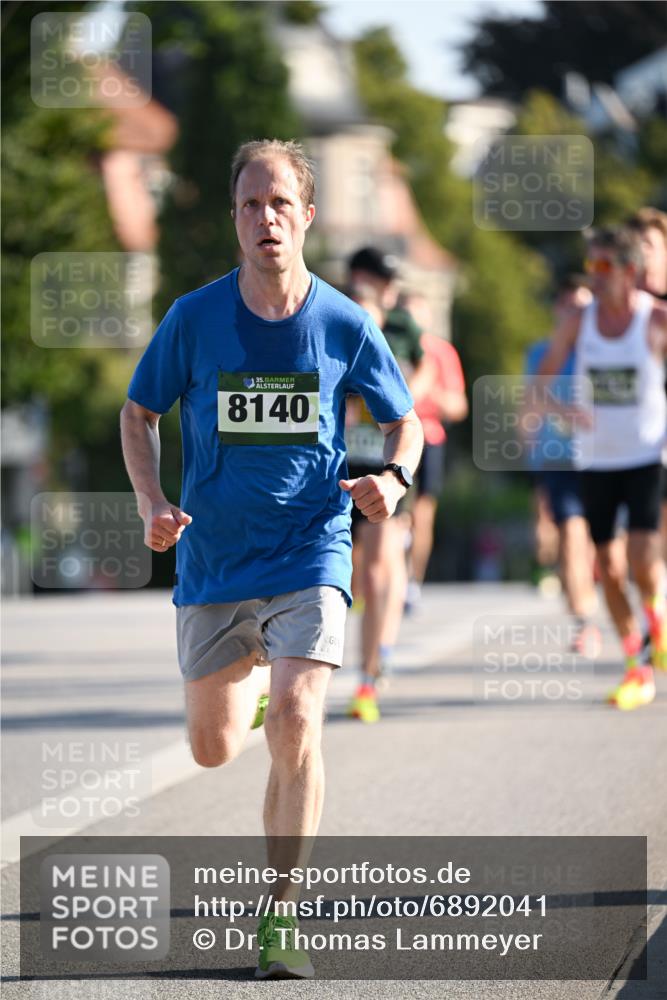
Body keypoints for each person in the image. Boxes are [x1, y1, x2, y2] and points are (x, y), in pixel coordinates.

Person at [120, 139, 423, 978]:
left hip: (310, 548)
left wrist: (393, 479)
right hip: (214, 561)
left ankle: (281, 915)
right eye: (251, 204)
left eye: (281, 203)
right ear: (234, 218)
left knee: (296, 715)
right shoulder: (194, 318)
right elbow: (137, 413)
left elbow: (407, 420)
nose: (266, 219)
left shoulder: (342, 322)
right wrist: (151, 503)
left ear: (307, 216)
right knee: (213, 749)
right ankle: (251, 677)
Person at [537, 226, 667, 710]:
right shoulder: (579, 319)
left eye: (604, 266)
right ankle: (637, 665)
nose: (595, 275)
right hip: (594, 459)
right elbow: (542, 377)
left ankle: (657, 612)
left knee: (641, 558)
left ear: (631, 271)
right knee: (608, 569)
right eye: (591, 264)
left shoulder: (655, 319)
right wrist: (562, 410)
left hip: (645, 455)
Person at [344, 248, 431, 721]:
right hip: (338, 467)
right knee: (345, 573)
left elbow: (426, 367)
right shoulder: (327, 330)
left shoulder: (401, 330)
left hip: (385, 467)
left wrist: (403, 401)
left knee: (378, 568)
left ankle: (368, 678)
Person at [523, 276, 599, 654]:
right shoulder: (541, 352)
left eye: (581, 306)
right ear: (557, 310)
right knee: (570, 532)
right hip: (557, 457)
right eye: (568, 306)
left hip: (606, 457)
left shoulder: (603, 347)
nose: (574, 313)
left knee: (602, 545)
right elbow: (532, 396)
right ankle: (584, 620)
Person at [402, 293, 468, 609]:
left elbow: (459, 406)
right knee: (391, 516)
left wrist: (432, 393)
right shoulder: (389, 345)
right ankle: (390, 577)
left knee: (422, 514)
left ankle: (413, 581)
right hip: (394, 435)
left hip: (430, 437)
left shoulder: (441, 353)